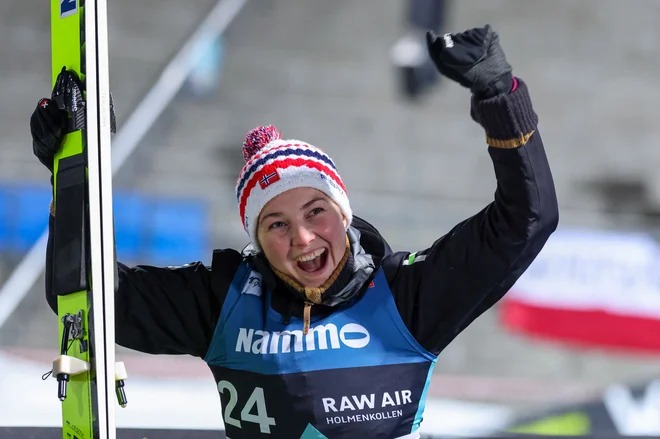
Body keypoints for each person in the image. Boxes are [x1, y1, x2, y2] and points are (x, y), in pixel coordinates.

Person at [31, 25, 558, 439]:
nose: (303, 239)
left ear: (344, 215)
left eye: (315, 212)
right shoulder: (225, 300)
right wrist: (73, 169)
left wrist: (499, 97)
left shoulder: (405, 296)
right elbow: (86, 298)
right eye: (276, 224)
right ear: (257, 240)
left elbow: (526, 220)